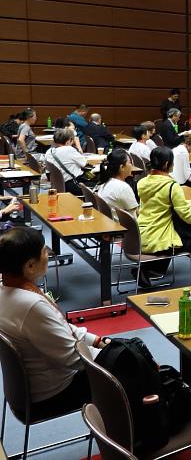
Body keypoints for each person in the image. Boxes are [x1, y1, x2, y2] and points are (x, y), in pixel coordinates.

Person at [0, 227, 109, 417]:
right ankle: (137, 439)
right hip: (52, 395)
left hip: (24, 392)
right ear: (30, 266)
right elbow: (73, 359)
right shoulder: (30, 305)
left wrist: (97, 340)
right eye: (44, 251)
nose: (48, 254)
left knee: (123, 356)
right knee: (129, 370)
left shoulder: (7, 289)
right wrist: (112, 355)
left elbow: (59, 326)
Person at [137, 146, 191, 286]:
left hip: (144, 233)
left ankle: (148, 269)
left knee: (188, 233)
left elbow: (160, 202)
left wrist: (185, 203)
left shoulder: (142, 182)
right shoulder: (171, 186)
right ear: (167, 164)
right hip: (161, 237)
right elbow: (188, 217)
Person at [95, 148, 138, 219]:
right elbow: (135, 217)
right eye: (130, 163)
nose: (132, 165)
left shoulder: (104, 182)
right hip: (125, 227)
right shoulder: (123, 188)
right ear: (122, 167)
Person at [44, 129, 89, 195]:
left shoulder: (49, 152)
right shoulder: (69, 149)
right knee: (98, 185)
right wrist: (78, 145)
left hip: (58, 185)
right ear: (69, 141)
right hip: (74, 185)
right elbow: (84, 163)